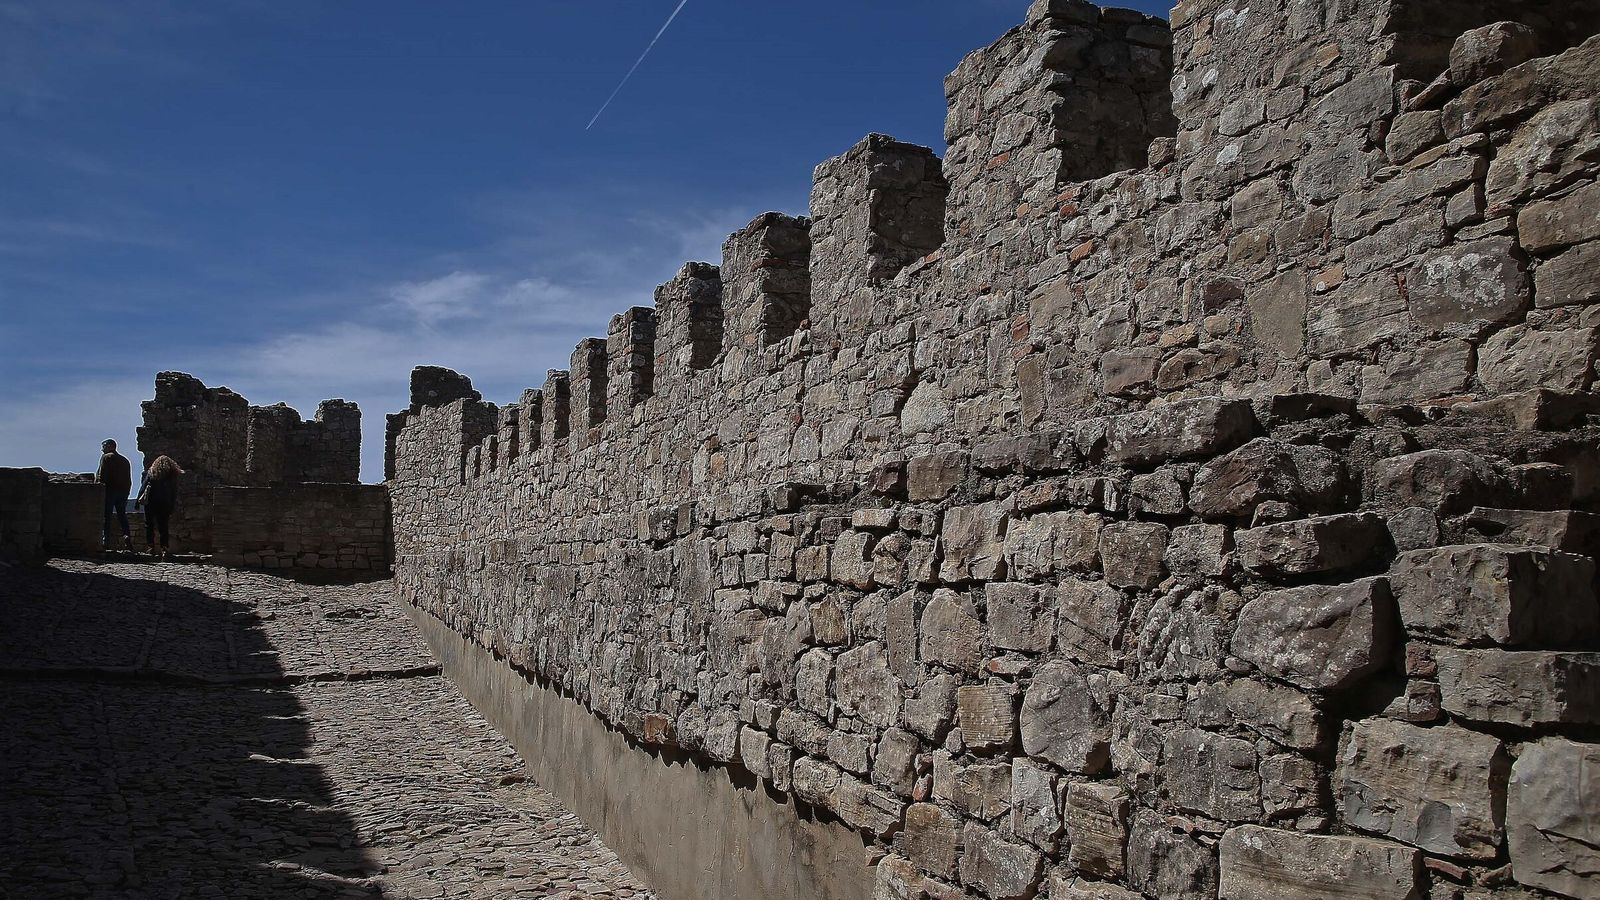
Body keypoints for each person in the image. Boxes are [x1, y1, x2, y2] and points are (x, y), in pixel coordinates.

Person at [136, 455, 184, 561]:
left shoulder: (151, 473)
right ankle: (164, 548)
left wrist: (137, 502)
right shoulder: (171, 476)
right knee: (163, 526)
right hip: (165, 504)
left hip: (151, 503)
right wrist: (172, 506)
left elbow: (143, 487)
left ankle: (151, 547)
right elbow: (174, 493)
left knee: (149, 525)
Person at [94, 439, 134, 552]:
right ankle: (127, 536)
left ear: (110, 446)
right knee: (122, 515)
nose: (102, 449)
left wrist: (98, 489)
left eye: (103, 446)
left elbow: (102, 475)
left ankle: (106, 541)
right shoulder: (125, 460)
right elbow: (128, 479)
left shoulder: (106, 457)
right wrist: (127, 492)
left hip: (110, 491)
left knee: (107, 516)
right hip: (123, 492)